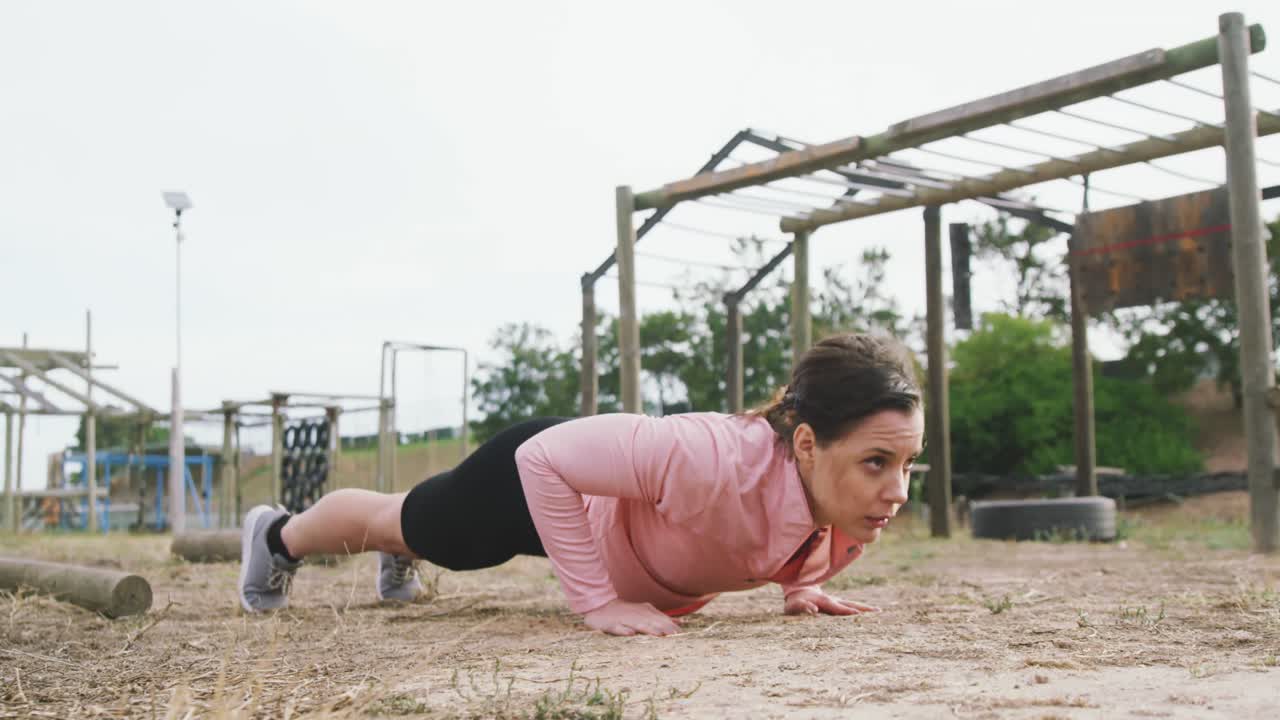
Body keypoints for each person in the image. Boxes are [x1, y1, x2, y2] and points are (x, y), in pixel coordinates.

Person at [237, 333, 924, 637]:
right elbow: (542, 460)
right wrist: (596, 602)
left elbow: (776, 526)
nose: (898, 490)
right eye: (877, 463)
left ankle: (403, 549)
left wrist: (801, 584)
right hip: (538, 482)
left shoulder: (845, 504)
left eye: (907, 464)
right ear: (806, 444)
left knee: (420, 530)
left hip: (610, 519)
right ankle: (277, 535)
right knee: (411, 524)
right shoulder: (707, 456)